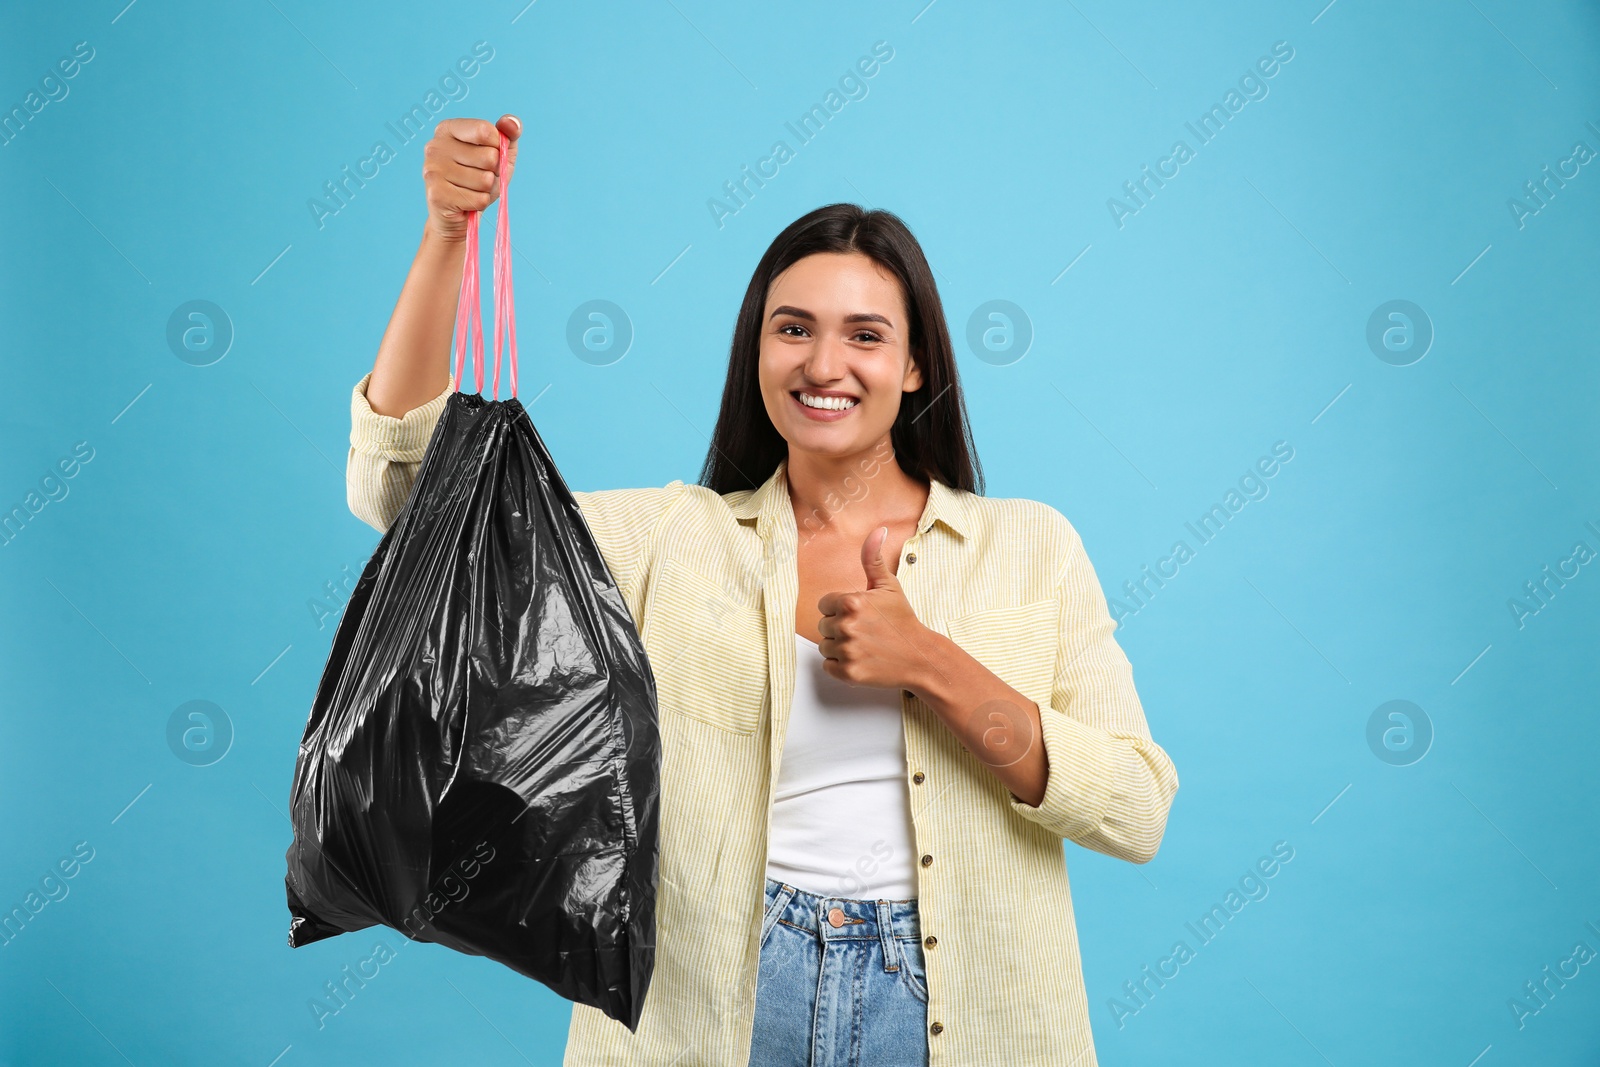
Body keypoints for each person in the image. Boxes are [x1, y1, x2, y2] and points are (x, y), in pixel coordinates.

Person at [346, 113, 1179, 1067]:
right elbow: (412, 497)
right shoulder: (673, 539)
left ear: (914, 367)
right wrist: (447, 237)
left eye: (865, 336)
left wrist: (936, 665)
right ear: (758, 350)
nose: (825, 365)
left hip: (957, 1011)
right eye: (794, 330)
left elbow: (1135, 807)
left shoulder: (1032, 547)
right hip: (716, 1002)